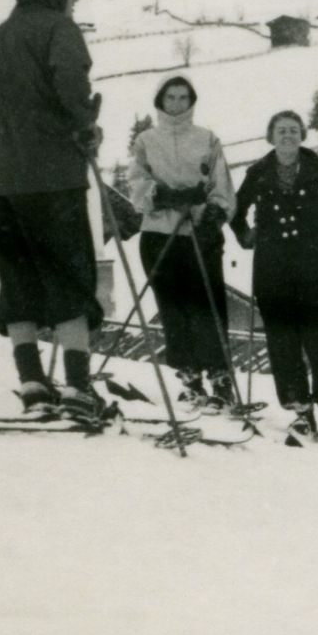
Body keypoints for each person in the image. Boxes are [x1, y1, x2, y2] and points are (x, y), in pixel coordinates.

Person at [0, 0, 104, 416]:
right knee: (69, 274)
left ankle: (32, 383)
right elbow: (70, 86)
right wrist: (86, 121)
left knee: (19, 280)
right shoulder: (58, 29)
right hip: (50, 174)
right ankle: (76, 388)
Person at [233, 111, 318, 439]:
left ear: (302, 135)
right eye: (281, 131)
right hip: (272, 267)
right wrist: (245, 236)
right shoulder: (258, 172)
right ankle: (301, 412)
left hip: (315, 263)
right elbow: (235, 208)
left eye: (293, 130)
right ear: (270, 136)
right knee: (282, 339)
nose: (287, 136)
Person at [128, 75, 235, 409]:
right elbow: (136, 185)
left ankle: (220, 380)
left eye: (183, 98)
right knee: (172, 307)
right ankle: (190, 379)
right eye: (170, 98)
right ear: (160, 101)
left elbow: (222, 185)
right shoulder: (146, 140)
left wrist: (213, 216)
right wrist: (166, 196)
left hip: (199, 233)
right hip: (160, 234)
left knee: (207, 306)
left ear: (192, 101)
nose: (176, 104)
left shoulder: (207, 138)